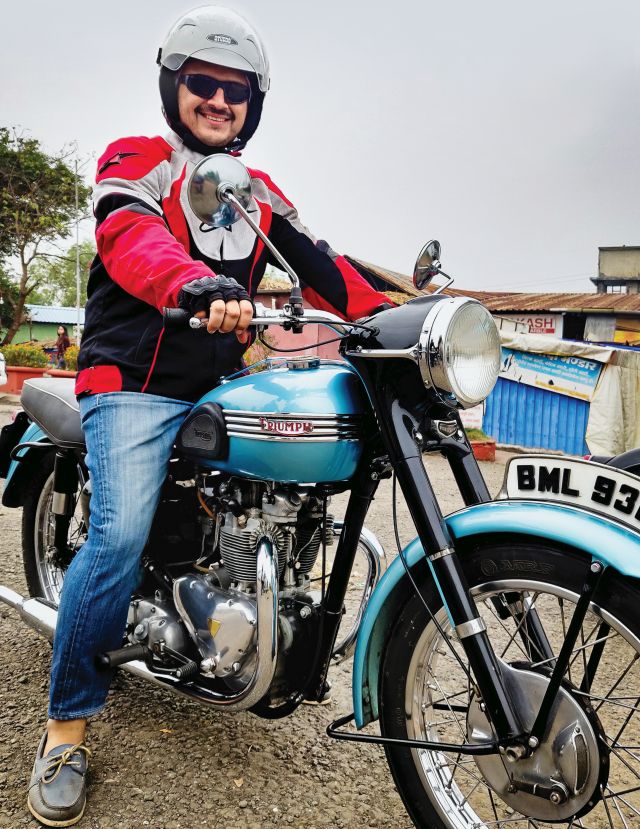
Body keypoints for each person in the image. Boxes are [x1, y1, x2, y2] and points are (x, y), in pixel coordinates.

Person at [26, 7, 392, 826]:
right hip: (132, 383)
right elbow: (128, 236)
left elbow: (323, 265)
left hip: (220, 385)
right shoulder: (140, 159)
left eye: (234, 91)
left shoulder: (258, 193)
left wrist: (405, 317)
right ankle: (65, 727)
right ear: (175, 87)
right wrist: (192, 284)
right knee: (116, 537)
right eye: (203, 84)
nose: (218, 101)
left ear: (252, 104)